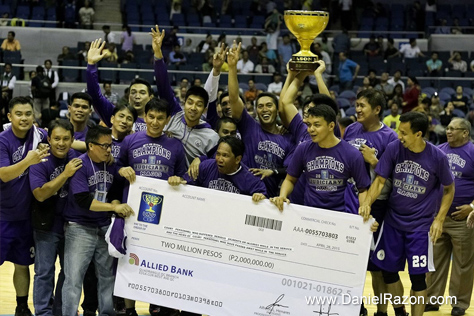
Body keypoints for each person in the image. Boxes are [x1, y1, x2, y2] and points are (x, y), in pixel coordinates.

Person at [359, 111, 455, 316]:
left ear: (418, 134)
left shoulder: (438, 157)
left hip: (420, 227)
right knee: (388, 272)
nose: (398, 135)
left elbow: (449, 189)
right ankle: (401, 311)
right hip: (393, 222)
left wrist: (439, 219)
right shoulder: (395, 148)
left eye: (403, 132)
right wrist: (367, 202)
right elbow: (380, 180)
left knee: (418, 278)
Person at [61, 126, 133, 316]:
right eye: (104, 146)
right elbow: (84, 200)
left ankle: (107, 313)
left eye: (110, 145)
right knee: (74, 278)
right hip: (79, 227)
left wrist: (122, 171)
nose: (109, 149)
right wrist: (113, 208)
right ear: (91, 145)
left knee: (107, 277)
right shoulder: (79, 165)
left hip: (103, 227)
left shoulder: (109, 163)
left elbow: (116, 190)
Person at [343, 89, 399, 316]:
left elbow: (396, 176)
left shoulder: (390, 137)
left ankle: (382, 311)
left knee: (377, 265)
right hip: (349, 201)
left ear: (377, 110)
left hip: (378, 204)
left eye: (362, 106)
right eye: (356, 105)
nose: (357, 109)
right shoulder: (352, 129)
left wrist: (375, 161)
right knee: (352, 261)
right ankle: (357, 307)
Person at [0, 96, 49, 316]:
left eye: (28, 113)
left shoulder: (40, 136)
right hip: (2, 215)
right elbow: (3, 175)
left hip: (27, 217)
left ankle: (21, 306)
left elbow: (64, 142)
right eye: (18, 114)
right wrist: (29, 160)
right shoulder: (2, 140)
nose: (24, 118)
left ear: (34, 115)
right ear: (9, 117)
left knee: (22, 264)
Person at [227, 41, 295, 197]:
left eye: (269, 105)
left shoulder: (288, 138)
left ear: (277, 109)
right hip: (241, 193)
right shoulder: (250, 126)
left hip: (268, 198)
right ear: (256, 111)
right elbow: (234, 98)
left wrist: (272, 171)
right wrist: (232, 68)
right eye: (260, 106)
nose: (265, 109)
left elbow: (291, 170)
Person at [29, 120, 81, 316]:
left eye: (66, 139)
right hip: (46, 224)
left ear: (72, 140)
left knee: (69, 273)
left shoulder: (76, 156)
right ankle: (43, 312)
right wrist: (66, 174)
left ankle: (61, 309)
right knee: (44, 272)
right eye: (56, 138)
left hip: (73, 225)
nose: (61, 143)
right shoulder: (40, 160)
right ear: (48, 139)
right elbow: (41, 194)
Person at [151, 25, 220, 166]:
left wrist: (201, 159)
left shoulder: (211, 136)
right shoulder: (175, 114)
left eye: (199, 104)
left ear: (204, 109)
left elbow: (216, 164)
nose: (193, 108)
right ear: (184, 102)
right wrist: (158, 53)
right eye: (190, 102)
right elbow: (162, 84)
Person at [425, 118, 474, 316]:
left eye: (454, 129)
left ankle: (459, 304)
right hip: (438, 217)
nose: (449, 131)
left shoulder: (472, 152)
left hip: (464, 219)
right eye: (448, 128)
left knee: (462, 264)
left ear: (465, 133)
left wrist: (472, 207)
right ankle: (431, 299)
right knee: (434, 260)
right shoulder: (439, 150)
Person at [168, 136, 267, 202]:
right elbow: (184, 182)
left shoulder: (251, 179)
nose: (219, 159)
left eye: (225, 155)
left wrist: (260, 198)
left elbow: (263, 199)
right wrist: (177, 180)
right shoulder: (205, 166)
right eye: (218, 154)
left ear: (237, 159)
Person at [87, 38, 154, 132]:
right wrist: (91, 66)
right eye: (133, 92)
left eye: (142, 93)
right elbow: (95, 97)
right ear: (128, 96)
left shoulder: (157, 122)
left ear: (150, 97)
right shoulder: (116, 115)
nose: (137, 96)